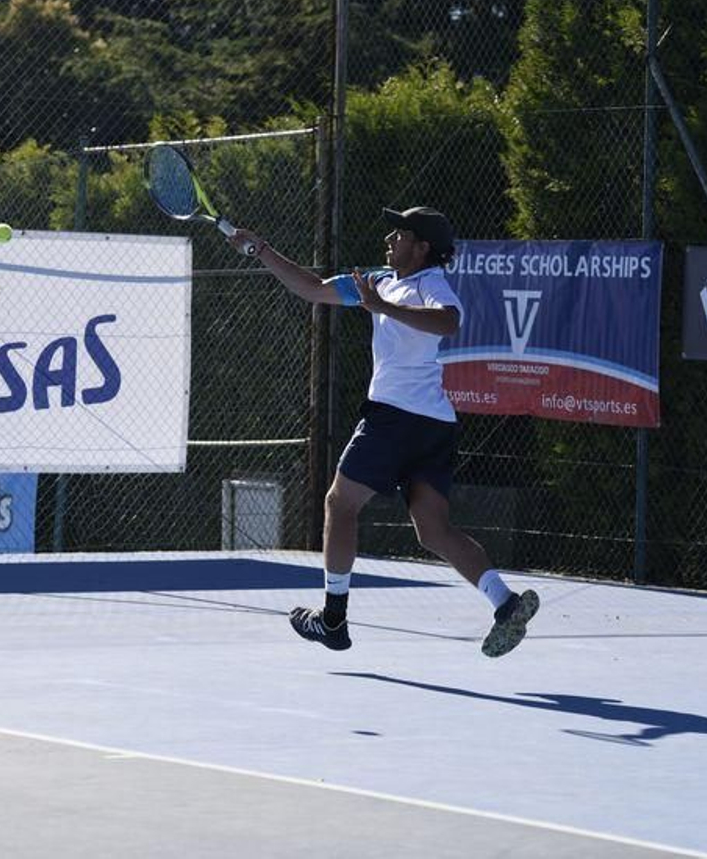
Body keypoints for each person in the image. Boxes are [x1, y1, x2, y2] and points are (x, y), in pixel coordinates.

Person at [226, 206, 539, 657]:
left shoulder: (429, 283)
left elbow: (449, 321)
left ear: (422, 247)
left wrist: (383, 306)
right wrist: (260, 249)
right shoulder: (377, 281)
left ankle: (333, 619)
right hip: (434, 424)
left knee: (339, 504)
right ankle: (505, 603)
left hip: (393, 419)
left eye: (401, 234)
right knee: (433, 530)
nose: (390, 239)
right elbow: (312, 288)